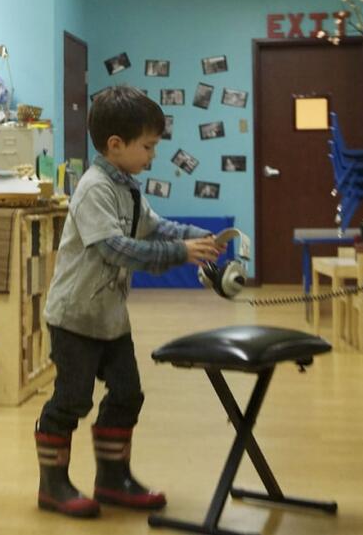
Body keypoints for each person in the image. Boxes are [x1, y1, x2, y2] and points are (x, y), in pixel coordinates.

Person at [36, 86, 223, 518]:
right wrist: (180, 254)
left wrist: (195, 236)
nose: (152, 156)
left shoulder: (129, 187)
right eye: (148, 147)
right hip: (75, 318)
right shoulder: (93, 188)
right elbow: (115, 249)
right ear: (116, 145)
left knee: (128, 393)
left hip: (110, 319)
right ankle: (53, 485)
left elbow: (155, 228)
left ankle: (113, 479)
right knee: (72, 400)